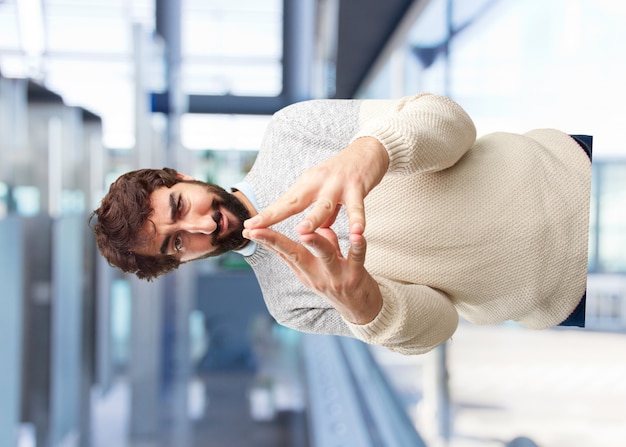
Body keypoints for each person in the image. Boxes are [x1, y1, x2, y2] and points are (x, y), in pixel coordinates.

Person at [91, 93, 592, 355]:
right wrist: (366, 305)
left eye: (180, 206)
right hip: (568, 293)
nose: (202, 228)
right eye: (177, 244)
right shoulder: (290, 306)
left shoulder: (290, 131)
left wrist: (370, 151)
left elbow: (453, 123)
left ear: (183, 177)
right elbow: (439, 326)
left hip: (575, 175)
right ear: (181, 263)